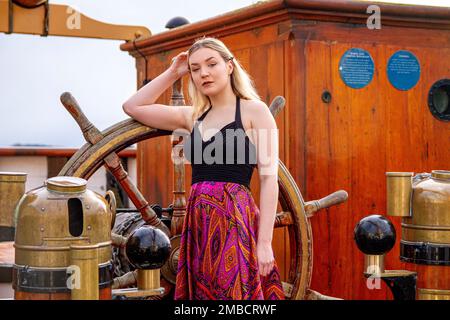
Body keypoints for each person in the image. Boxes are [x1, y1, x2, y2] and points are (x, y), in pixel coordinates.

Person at [122, 37, 284, 300]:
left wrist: (264, 242)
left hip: (235, 219)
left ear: (229, 66)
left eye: (211, 64)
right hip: (199, 223)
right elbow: (133, 106)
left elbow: (269, 180)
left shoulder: (255, 111)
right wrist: (173, 71)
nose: (203, 73)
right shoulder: (192, 116)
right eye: (195, 69)